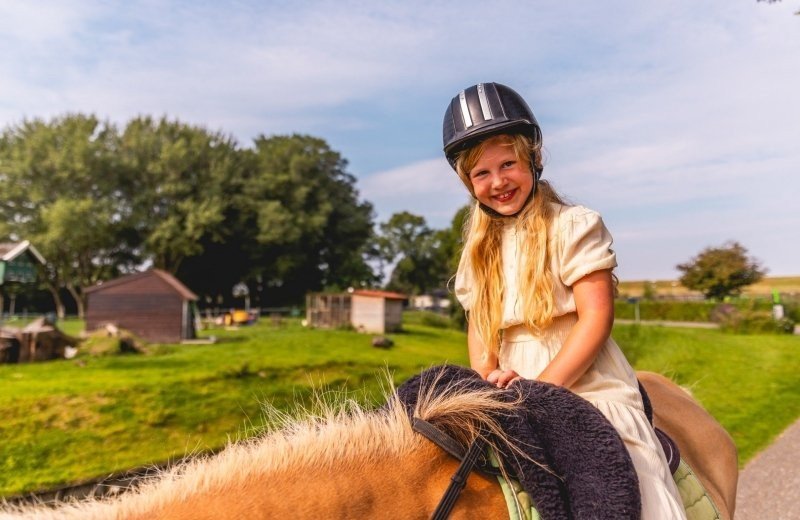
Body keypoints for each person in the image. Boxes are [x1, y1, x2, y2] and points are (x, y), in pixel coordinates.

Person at [444, 82, 686, 519]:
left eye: (508, 164)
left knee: (627, 480)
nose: (498, 181)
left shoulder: (573, 225)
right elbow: (480, 329)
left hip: (586, 383)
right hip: (512, 389)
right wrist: (487, 375)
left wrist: (541, 391)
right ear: (468, 183)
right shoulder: (478, 250)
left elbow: (595, 318)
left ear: (533, 160)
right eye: (482, 173)